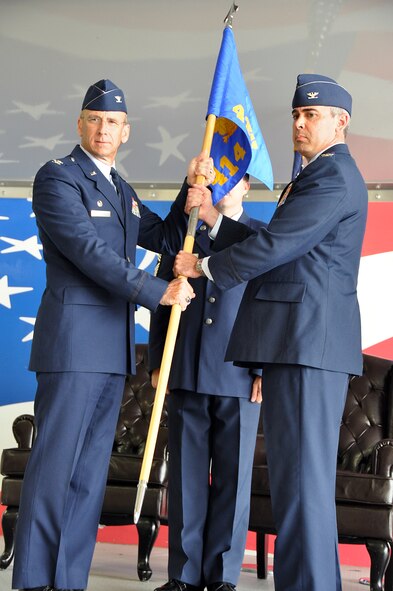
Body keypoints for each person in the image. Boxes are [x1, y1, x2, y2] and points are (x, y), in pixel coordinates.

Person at [11, 78, 216, 591]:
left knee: (86, 481)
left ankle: (68, 582)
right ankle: (35, 582)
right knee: (54, 470)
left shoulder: (119, 188)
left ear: (127, 132)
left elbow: (167, 237)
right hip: (74, 346)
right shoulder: (58, 178)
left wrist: (188, 188)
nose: (104, 129)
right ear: (80, 124)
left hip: (112, 351)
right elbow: (87, 252)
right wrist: (157, 291)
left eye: (114, 123)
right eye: (95, 119)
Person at [173, 74, 368, 591]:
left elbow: (278, 246)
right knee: (299, 488)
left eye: (312, 115)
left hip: (307, 344)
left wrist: (206, 269)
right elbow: (282, 241)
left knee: (302, 488)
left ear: (340, 122)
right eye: (296, 115)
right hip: (298, 344)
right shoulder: (317, 175)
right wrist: (215, 220)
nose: (299, 124)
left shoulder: (332, 177)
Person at [149, 174, 266, 591]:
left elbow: (268, 307)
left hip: (238, 372)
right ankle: (182, 574)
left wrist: (262, 369)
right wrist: (158, 358)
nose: (226, 187)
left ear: (248, 187)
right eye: (220, 181)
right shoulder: (186, 233)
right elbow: (164, 298)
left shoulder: (262, 235)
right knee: (186, 478)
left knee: (233, 482)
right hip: (187, 367)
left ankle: (221, 577)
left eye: (235, 181)